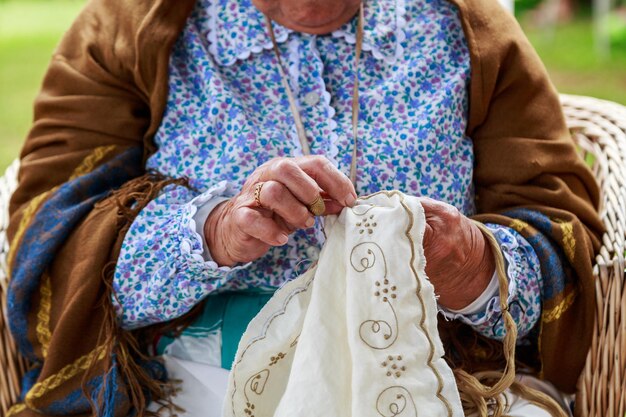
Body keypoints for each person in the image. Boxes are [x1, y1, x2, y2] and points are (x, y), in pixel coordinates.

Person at [5, 0, 604, 415]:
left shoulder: (471, 35)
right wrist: (215, 231)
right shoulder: (128, 33)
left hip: (444, 371)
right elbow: (51, 232)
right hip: (192, 374)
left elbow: (554, 222)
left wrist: (472, 266)